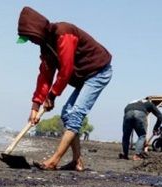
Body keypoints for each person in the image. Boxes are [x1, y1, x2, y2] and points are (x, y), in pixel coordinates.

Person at [18, 6, 113, 171]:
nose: (31, 42)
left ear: (36, 30)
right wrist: (36, 105)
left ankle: (54, 160)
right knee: (67, 114)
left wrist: (53, 96)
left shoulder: (64, 33)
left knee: (76, 114)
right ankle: (77, 161)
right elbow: (45, 76)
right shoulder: (46, 47)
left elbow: (66, 69)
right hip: (83, 77)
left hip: (98, 71)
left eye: (30, 37)